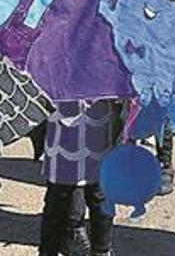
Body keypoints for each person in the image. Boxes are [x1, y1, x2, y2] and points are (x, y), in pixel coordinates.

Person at [39, 100, 121, 256]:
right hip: (62, 129)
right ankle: (48, 251)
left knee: (99, 196)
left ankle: (101, 250)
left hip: (98, 128)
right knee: (58, 198)